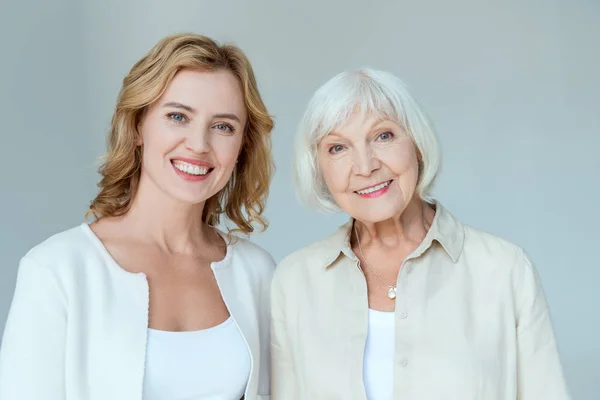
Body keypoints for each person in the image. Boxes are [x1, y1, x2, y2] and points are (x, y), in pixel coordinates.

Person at [0, 33, 275, 400]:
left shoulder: (257, 273)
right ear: (137, 126)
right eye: (178, 116)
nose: (199, 144)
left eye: (223, 126)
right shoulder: (57, 270)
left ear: (241, 147)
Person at [270, 68, 571, 399]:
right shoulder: (295, 280)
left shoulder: (504, 268)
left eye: (383, 136)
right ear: (319, 170)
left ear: (418, 145)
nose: (365, 166)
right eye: (338, 148)